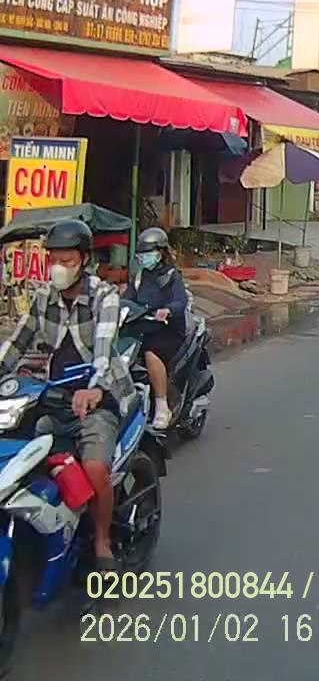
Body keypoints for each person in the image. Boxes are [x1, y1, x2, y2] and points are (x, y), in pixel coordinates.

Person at [0, 220, 135, 571]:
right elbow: (17, 342)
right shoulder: (44, 297)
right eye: (54, 260)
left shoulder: (104, 296)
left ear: (84, 260)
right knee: (18, 456)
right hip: (53, 395)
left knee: (94, 468)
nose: (58, 268)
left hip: (99, 397)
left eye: (67, 261)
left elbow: (104, 348)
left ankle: (102, 541)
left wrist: (94, 388)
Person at [122, 228, 190, 430]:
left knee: (151, 353)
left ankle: (162, 406)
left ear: (161, 253)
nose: (144, 258)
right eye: (141, 255)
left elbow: (180, 301)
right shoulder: (139, 277)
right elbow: (127, 299)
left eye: (148, 253)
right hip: (143, 327)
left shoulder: (172, 276)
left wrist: (168, 310)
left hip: (168, 329)